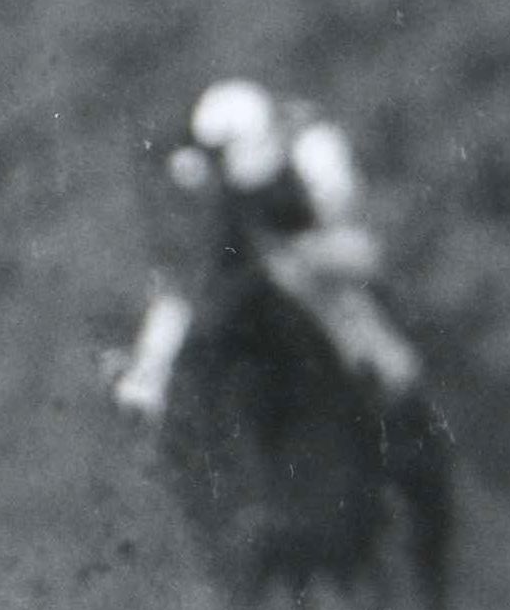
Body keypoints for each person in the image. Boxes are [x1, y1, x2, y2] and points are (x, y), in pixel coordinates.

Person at [111, 77, 422, 419]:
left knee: (298, 270)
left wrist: (301, 242)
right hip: (280, 255)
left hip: (347, 245)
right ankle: (149, 375)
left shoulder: (313, 145)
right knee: (214, 280)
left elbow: (342, 211)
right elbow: (195, 265)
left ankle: (382, 361)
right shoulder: (218, 170)